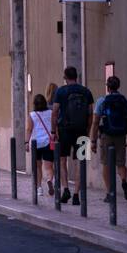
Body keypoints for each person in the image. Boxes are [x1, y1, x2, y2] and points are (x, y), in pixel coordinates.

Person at [51, 66, 93, 206]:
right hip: (82, 131)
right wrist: (88, 130)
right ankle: (76, 195)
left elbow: (55, 112)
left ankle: (66, 189)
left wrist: (53, 131)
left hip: (64, 130)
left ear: (65, 77)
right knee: (80, 162)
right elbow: (90, 113)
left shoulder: (60, 91)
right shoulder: (86, 91)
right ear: (77, 76)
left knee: (62, 160)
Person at [91, 75, 127, 204]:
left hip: (106, 135)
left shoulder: (102, 101)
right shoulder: (126, 101)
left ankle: (110, 192)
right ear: (118, 86)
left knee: (106, 163)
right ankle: (124, 181)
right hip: (121, 135)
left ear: (108, 87)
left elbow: (95, 122)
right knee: (121, 163)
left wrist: (93, 140)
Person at [28, 93, 55, 198]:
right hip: (48, 142)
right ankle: (49, 180)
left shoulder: (32, 115)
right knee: (49, 166)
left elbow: (29, 129)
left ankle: (39, 188)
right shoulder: (51, 113)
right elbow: (54, 127)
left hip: (36, 143)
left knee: (37, 166)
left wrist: (26, 142)